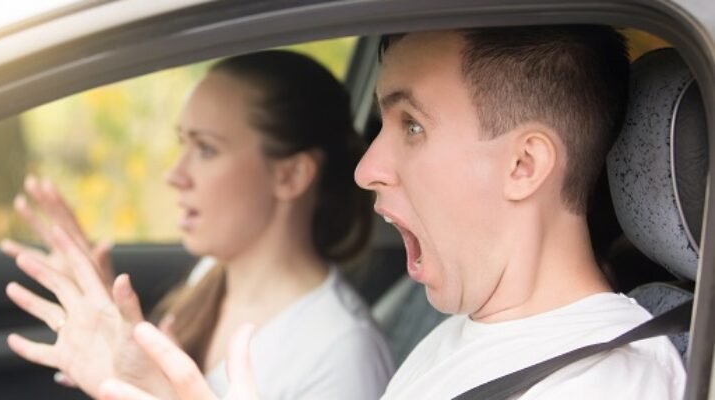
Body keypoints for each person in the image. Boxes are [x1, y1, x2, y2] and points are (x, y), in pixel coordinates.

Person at [96, 26, 686, 400]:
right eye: (383, 123)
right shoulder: (462, 334)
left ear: (523, 164)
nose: (366, 168)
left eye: (412, 126)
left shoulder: (604, 382)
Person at [0, 50, 395, 399]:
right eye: (182, 143)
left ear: (291, 175)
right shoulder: (210, 275)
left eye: (206, 148)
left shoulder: (342, 355)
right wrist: (108, 319)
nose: (174, 174)